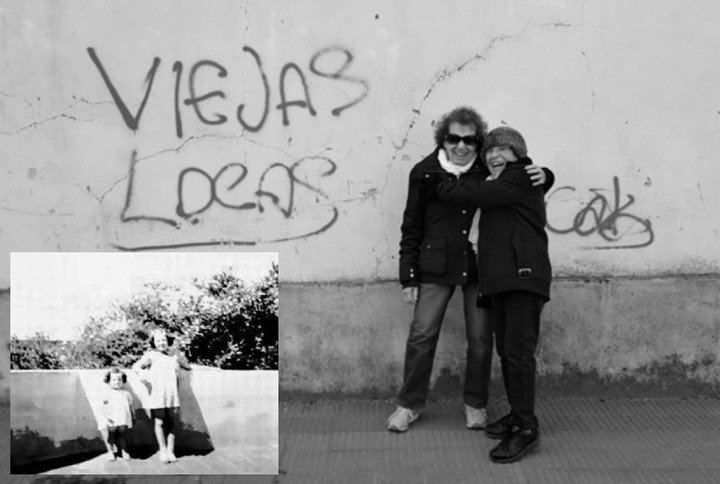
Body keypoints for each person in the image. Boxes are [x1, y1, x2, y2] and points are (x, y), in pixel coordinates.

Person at [388, 107, 554, 433]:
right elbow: (411, 226)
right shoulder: (424, 172)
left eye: (469, 140)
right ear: (443, 140)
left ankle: (475, 403)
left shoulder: (490, 168)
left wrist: (546, 174)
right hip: (436, 266)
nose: (461, 146)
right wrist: (408, 275)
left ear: (477, 142)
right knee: (421, 335)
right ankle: (409, 405)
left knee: (480, 338)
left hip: (480, 268)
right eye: (454, 139)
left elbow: (523, 185)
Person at [429, 126, 552, 463]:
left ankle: (526, 426)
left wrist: (440, 185)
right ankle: (518, 414)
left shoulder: (519, 176)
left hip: (523, 276)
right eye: (491, 151)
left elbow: (477, 194)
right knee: (507, 350)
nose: (495, 156)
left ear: (518, 154)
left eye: (504, 150)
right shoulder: (506, 181)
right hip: (502, 279)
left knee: (519, 353)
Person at [132, 328, 191, 464]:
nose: (161, 342)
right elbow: (137, 367)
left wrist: (180, 360)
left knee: (171, 422)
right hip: (157, 394)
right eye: (158, 340)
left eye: (163, 340)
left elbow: (187, 366)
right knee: (159, 422)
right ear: (154, 342)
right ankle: (163, 450)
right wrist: (145, 379)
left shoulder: (173, 356)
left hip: (171, 394)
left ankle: (171, 451)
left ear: (167, 341)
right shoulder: (151, 356)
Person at [98, 367, 134, 461]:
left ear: (123, 381)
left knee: (123, 435)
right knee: (111, 436)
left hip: (123, 419)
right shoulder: (107, 393)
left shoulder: (126, 393)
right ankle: (110, 451)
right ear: (108, 381)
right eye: (113, 380)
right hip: (112, 419)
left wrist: (132, 415)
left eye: (119, 380)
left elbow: (130, 405)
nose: (117, 382)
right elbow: (103, 407)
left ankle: (124, 450)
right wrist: (107, 416)